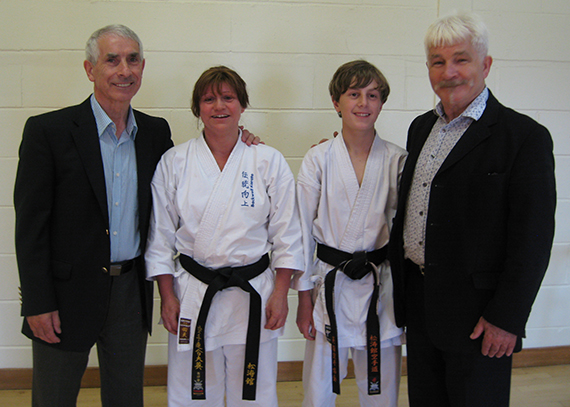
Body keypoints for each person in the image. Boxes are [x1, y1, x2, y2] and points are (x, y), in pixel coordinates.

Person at [13, 25, 257, 407]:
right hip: (65, 293)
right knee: (54, 398)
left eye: (132, 59)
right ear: (90, 68)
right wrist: (37, 302)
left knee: (126, 397)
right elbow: (30, 228)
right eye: (112, 59)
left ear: (142, 67)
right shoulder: (50, 131)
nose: (123, 70)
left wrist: (241, 140)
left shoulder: (155, 134)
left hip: (129, 290)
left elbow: (195, 177)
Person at [388, 12, 556, 407]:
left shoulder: (524, 137)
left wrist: (507, 317)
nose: (449, 72)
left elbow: (532, 239)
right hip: (422, 303)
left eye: (461, 59)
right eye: (438, 61)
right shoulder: (420, 129)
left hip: (480, 317)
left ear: (486, 64)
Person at [145, 66, 304, 407]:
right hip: (194, 293)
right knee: (192, 394)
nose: (219, 106)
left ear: (242, 105)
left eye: (228, 97)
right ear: (197, 108)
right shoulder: (174, 162)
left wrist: (280, 293)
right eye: (209, 98)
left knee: (255, 394)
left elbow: (287, 235)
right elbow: (159, 237)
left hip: (253, 294)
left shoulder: (267, 160)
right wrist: (166, 295)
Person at [294, 60, 407, 407]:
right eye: (354, 94)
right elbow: (300, 233)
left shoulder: (398, 159)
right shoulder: (318, 159)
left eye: (372, 95)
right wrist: (302, 298)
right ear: (335, 101)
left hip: (380, 285)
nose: (363, 103)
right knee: (319, 390)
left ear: (382, 102)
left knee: (381, 389)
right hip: (331, 285)